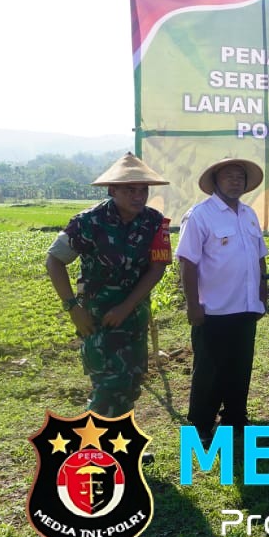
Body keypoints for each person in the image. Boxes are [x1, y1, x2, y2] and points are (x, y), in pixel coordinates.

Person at [45, 153, 172, 416]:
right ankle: (95, 450)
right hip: (97, 319)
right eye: (130, 190)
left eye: (143, 190)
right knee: (107, 385)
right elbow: (54, 261)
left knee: (131, 382)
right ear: (112, 190)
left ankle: (119, 445)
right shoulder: (88, 222)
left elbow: (157, 268)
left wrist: (126, 307)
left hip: (134, 315)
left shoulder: (154, 222)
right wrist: (72, 307)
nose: (138, 196)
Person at [176, 158, 268, 443]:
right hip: (213, 309)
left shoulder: (249, 214)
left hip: (246, 306)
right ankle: (201, 425)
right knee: (209, 370)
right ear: (215, 181)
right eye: (229, 176)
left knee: (240, 367)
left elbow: (260, 256)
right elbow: (187, 262)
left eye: (240, 176)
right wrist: (193, 305)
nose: (235, 181)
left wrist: (262, 295)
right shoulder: (200, 215)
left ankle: (235, 420)